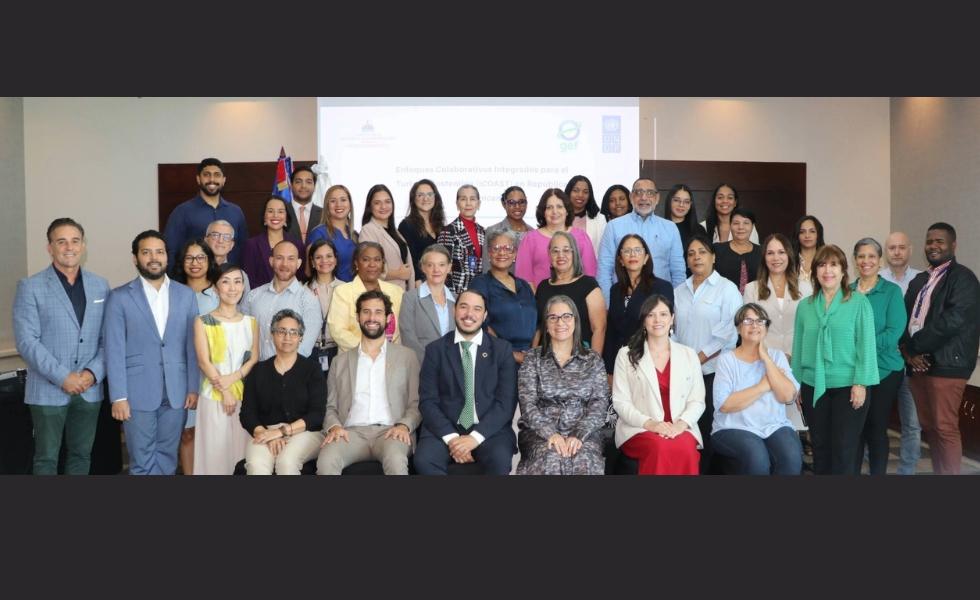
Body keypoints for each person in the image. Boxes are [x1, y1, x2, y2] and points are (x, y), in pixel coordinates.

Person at [13, 218, 110, 475]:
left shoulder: (101, 285)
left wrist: (91, 374)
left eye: (75, 241)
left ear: (83, 246)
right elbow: (27, 341)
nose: (69, 247)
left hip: (89, 389)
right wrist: (63, 377)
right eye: (61, 241)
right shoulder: (30, 286)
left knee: (81, 456)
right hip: (48, 389)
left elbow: (108, 339)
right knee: (46, 459)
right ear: (50, 248)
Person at [104, 230, 200, 475]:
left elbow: (192, 345)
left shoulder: (186, 295)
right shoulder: (119, 297)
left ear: (167, 257)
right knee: (141, 461)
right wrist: (118, 397)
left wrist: (193, 387)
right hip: (137, 392)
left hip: (178, 391)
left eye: (159, 252)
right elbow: (114, 349)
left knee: (168, 459)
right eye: (146, 252)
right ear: (135, 258)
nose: (154, 257)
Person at [792, 244, 879, 475]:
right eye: (821, 265)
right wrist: (796, 383)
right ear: (815, 271)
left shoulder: (858, 302)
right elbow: (798, 348)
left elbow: (866, 346)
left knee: (844, 450)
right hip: (813, 386)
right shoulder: (805, 306)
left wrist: (861, 383)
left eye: (833, 265)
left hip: (849, 387)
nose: (827, 270)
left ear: (843, 271)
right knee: (820, 449)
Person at [900, 223, 980, 475]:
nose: (933, 246)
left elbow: (952, 321)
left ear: (953, 245)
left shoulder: (963, 278)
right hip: (918, 364)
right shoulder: (920, 280)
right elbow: (903, 318)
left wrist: (916, 346)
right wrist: (908, 352)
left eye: (939, 241)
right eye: (929, 241)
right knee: (930, 427)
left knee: (944, 427)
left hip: (948, 364)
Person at [316, 290, 422, 475]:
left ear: (388, 318)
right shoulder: (339, 362)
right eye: (366, 312)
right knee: (326, 460)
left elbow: (417, 403)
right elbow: (330, 406)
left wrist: (404, 425)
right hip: (350, 433)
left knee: (396, 461)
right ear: (358, 317)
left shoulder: (407, 357)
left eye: (378, 312)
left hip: (392, 431)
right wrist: (335, 426)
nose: (372, 317)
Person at [414, 289, 518, 475]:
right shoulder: (435, 350)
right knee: (424, 460)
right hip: (445, 428)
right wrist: (453, 440)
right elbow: (428, 401)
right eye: (463, 307)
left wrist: (474, 438)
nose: (469, 314)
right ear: (454, 310)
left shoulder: (502, 350)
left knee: (499, 459)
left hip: (489, 429)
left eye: (477, 309)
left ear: (485, 315)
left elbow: (506, 403)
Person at [672, 234, 743, 473]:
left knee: (712, 430)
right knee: (687, 428)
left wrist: (698, 358)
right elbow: (672, 330)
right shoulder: (679, 291)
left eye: (702, 252)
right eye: (691, 254)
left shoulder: (727, 289)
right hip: (684, 374)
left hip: (715, 373)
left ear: (713, 257)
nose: (696, 257)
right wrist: (682, 359)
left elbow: (729, 332)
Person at [516, 295, 609, 475]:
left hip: (585, 433)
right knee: (552, 458)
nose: (560, 323)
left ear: (575, 321)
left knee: (583, 459)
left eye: (566, 316)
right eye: (553, 317)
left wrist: (579, 434)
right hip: (539, 433)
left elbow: (599, 403)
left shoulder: (593, 360)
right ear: (546, 324)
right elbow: (528, 405)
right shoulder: (533, 359)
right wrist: (551, 433)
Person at [611, 295, 704, 475]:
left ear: (672, 318)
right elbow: (621, 403)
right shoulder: (626, 355)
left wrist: (680, 425)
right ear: (644, 320)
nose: (657, 320)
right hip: (639, 427)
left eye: (663, 314)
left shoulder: (689, 355)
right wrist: (652, 424)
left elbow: (697, 401)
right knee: (660, 446)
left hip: (680, 426)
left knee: (686, 448)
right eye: (651, 315)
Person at [711, 303, 803, 475]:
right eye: (748, 321)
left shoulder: (777, 357)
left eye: (760, 321)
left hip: (774, 426)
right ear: (738, 328)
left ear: (766, 328)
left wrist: (766, 359)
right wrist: (764, 386)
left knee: (791, 456)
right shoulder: (727, 360)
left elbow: (787, 396)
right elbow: (725, 404)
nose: (754, 325)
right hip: (734, 427)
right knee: (757, 458)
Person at [239, 310, 325, 475]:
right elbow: (247, 413)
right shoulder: (258, 371)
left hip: (304, 432)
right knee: (256, 465)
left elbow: (317, 415)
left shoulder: (312, 370)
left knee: (286, 462)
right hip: (265, 431)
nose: (287, 337)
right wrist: (266, 434)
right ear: (272, 334)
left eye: (294, 332)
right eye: (281, 331)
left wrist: (280, 432)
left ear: (301, 337)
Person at [192, 263, 259, 475]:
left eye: (237, 282)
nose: (232, 288)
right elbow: (204, 362)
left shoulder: (251, 322)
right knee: (214, 456)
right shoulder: (203, 321)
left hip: (245, 399)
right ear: (215, 287)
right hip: (213, 397)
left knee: (242, 456)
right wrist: (225, 391)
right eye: (226, 282)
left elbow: (254, 357)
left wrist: (233, 379)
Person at [742, 233, 812, 430]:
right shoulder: (752, 289)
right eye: (770, 253)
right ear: (763, 257)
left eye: (781, 252)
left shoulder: (806, 288)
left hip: (798, 362)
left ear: (789, 255)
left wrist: (792, 356)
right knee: (768, 422)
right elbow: (749, 330)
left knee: (797, 424)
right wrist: (771, 359)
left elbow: (810, 328)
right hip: (764, 363)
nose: (776, 258)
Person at [850, 238, 907, 475]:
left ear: (880, 260)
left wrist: (862, 348)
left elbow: (894, 331)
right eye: (861, 256)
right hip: (852, 371)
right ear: (855, 261)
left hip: (884, 370)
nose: (866, 261)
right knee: (854, 430)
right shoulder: (846, 291)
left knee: (875, 428)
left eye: (871, 256)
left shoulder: (891, 292)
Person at [597, 178, 685, 306]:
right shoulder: (613, 226)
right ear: (631, 197)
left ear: (657, 198)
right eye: (639, 192)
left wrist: (675, 306)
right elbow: (604, 271)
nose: (644, 197)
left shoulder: (670, 228)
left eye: (650, 193)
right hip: (623, 301)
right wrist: (609, 305)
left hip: (660, 304)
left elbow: (678, 272)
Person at [171, 238, 219, 474]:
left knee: (214, 432)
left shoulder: (220, 292)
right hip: (182, 372)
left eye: (201, 257)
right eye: (189, 258)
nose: (195, 263)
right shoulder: (171, 293)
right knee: (187, 433)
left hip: (215, 372)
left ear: (209, 261)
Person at [879, 231, 923, 474]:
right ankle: (873, 466)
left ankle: (907, 471)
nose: (896, 252)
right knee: (875, 420)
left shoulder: (922, 280)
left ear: (910, 250)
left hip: (911, 363)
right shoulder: (877, 279)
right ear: (886, 251)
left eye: (901, 247)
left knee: (912, 424)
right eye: (892, 248)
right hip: (882, 362)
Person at [602, 234, 673, 375]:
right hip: (620, 363)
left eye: (637, 250)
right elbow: (611, 332)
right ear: (620, 260)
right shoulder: (615, 290)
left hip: (649, 362)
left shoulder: (661, 287)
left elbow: (665, 328)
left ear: (646, 258)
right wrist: (609, 369)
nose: (632, 254)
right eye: (627, 251)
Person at [241, 240, 321, 361]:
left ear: (298, 263)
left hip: (290, 370)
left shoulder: (308, 300)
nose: (285, 264)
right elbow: (243, 336)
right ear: (271, 261)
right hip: (255, 369)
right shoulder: (253, 296)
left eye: (291, 259)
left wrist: (278, 368)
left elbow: (304, 348)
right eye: (279, 258)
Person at [163, 157, 248, 268]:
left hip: (229, 276)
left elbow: (243, 249)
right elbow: (171, 250)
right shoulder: (182, 212)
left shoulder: (236, 212)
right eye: (206, 174)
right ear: (198, 179)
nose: (212, 179)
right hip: (195, 276)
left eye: (217, 175)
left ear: (223, 180)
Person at [468, 230, 538, 364]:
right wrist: (510, 354)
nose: (502, 253)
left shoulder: (524, 285)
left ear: (515, 253)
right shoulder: (480, 283)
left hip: (529, 360)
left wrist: (532, 355)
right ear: (489, 253)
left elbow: (538, 322)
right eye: (496, 248)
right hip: (497, 357)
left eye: (508, 248)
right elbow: (479, 323)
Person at [533, 231, 606, 356]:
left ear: (574, 254)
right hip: (546, 358)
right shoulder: (543, 287)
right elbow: (539, 327)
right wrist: (533, 357)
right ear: (549, 255)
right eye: (555, 251)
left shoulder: (588, 284)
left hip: (580, 358)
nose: (560, 255)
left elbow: (599, 329)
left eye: (566, 250)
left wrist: (594, 362)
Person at [327, 242, 404, 352]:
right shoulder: (343, 292)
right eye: (366, 259)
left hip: (392, 356)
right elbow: (338, 331)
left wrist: (388, 352)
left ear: (382, 263)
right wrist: (371, 350)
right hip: (355, 356)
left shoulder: (397, 291)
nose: (372, 264)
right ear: (356, 263)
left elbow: (402, 330)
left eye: (377, 260)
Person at [515, 188, 597, 292]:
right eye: (549, 207)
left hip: (576, 299)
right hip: (538, 299)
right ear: (543, 212)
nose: (554, 211)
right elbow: (524, 279)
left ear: (567, 211)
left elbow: (590, 274)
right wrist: (540, 299)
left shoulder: (581, 237)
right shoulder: (530, 239)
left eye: (559, 206)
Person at [399, 244, 456, 363]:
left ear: (449, 267)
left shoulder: (457, 300)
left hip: (453, 365)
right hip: (423, 364)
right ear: (423, 267)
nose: (436, 270)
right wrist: (431, 363)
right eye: (430, 265)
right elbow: (408, 337)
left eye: (441, 265)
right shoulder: (410, 298)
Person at [360, 184, 415, 291]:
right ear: (370, 207)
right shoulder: (368, 230)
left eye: (387, 202)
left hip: (403, 293)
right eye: (377, 203)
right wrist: (397, 274)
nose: (383, 206)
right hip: (384, 294)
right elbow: (369, 267)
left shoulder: (395, 231)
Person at [241, 195, 303, 289]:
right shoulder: (251, 245)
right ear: (264, 217)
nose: (275, 215)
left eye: (280, 211)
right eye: (270, 211)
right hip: (259, 297)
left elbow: (301, 278)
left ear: (286, 217)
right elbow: (248, 281)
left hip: (291, 297)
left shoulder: (298, 245)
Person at [436, 184, 485, 294]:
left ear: (478, 204)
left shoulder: (483, 232)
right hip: (457, 293)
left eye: (472, 199)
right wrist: (451, 296)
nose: (468, 203)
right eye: (463, 199)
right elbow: (442, 268)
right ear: (457, 204)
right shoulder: (448, 231)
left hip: (480, 293)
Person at [305, 184, 359, 282]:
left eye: (343, 200)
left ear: (350, 205)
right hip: (331, 289)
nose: (338, 204)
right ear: (327, 206)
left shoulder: (355, 235)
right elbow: (308, 272)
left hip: (354, 289)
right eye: (333, 201)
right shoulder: (318, 234)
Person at [397, 179, 445, 285]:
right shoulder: (406, 225)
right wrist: (418, 283)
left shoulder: (440, 226)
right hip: (420, 283)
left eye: (429, 194)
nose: (425, 198)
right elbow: (410, 258)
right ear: (413, 199)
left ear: (435, 198)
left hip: (439, 281)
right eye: (420, 195)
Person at [305, 238, 343, 372]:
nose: (324, 261)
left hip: (339, 350)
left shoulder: (346, 289)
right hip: (310, 351)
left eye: (329, 256)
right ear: (312, 262)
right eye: (318, 257)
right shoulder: (303, 290)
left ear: (336, 260)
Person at [482, 186, 534, 273]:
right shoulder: (492, 231)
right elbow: (486, 267)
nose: (517, 206)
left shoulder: (533, 233)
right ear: (504, 204)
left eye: (521, 202)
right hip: (499, 281)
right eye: (511, 202)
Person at [713, 208, 762, 294]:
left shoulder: (762, 252)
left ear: (752, 226)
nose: (741, 227)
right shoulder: (716, 250)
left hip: (755, 300)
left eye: (746, 223)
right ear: (730, 225)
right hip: (722, 300)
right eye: (736, 223)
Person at [660, 184, 707, 262]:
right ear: (669, 201)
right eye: (676, 200)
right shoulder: (659, 227)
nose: (681, 205)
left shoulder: (699, 230)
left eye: (686, 202)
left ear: (690, 205)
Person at [204, 219, 251, 296]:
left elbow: (245, 303)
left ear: (232, 245)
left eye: (226, 237)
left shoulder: (241, 275)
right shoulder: (196, 270)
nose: (220, 241)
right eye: (215, 235)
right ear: (206, 240)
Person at [565, 175, 606, 258]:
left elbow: (604, 251)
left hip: (591, 265)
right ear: (569, 192)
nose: (580, 195)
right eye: (576, 191)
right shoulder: (559, 216)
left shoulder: (600, 219)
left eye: (585, 192)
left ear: (590, 195)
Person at [283, 166, 322, 244]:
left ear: (314, 186)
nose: (303, 186)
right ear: (291, 185)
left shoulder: (324, 214)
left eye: (308, 182)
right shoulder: (282, 212)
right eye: (298, 182)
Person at [792, 215, 825, 282]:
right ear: (797, 235)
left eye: (812, 231)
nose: (807, 236)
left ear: (818, 234)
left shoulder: (826, 259)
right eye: (802, 232)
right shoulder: (789, 260)